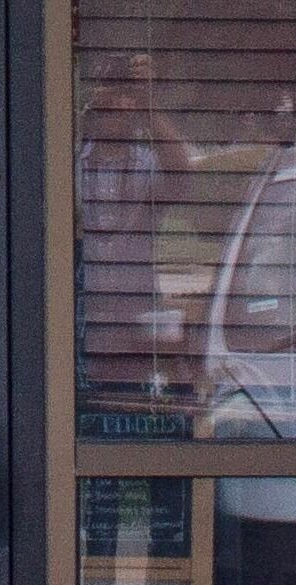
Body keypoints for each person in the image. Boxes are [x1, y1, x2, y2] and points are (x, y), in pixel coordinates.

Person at [75, 52, 195, 399]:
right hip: (82, 316)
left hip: (135, 319)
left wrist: (148, 106)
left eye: (123, 92)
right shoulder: (72, 162)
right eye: (105, 89)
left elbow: (182, 173)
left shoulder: (147, 162)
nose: (113, 101)